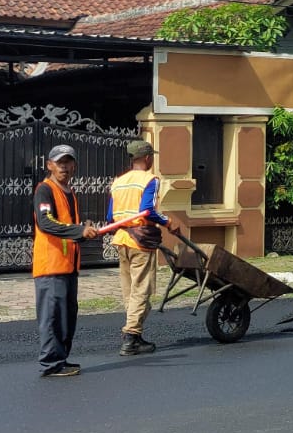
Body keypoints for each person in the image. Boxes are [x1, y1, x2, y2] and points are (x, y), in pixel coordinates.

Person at [107, 139, 182, 357]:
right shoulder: (150, 180)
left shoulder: (118, 182)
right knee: (141, 289)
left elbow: (110, 216)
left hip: (122, 240)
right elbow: (147, 209)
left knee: (130, 291)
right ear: (148, 158)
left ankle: (134, 333)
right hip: (141, 242)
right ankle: (131, 337)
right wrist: (168, 222)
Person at [33, 144, 98, 377]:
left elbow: (67, 226)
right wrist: (79, 230)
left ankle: (61, 359)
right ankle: (51, 363)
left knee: (66, 317)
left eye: (68, 162)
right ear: (49, 165)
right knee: (53, 317)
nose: (64, 166)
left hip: (68, 266)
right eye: (59, 162)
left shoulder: (69, 192)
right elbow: (46, 223)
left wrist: (83, 231)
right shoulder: (45, 190)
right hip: (51, 266)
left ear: (74, 166)